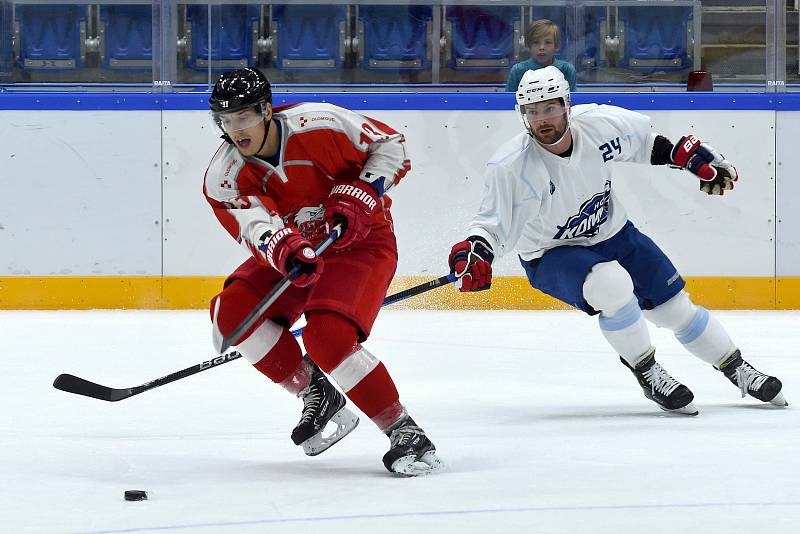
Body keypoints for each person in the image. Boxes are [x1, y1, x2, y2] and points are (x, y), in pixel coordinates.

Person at [448, 66, 787, 415]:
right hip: (551, 254)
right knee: (611, 285)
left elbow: (644, 144)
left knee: (675, 310)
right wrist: (475, 252)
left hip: (615, 233)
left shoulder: (598, 124)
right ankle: (646, 368)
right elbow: (492, 224)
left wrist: (683, 157)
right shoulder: (511, 167)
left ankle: (736, 367)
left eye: (549, 108)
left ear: (567, 104)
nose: (542, 119)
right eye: (532, 111)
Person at [204, 67, 442, 476]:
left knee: (326, 337)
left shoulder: (321, 121)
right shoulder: (223, 177)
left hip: (360, 245)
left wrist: (363, 190)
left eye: (242, 116)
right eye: (225, 120)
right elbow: (254, 227)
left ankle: (405, 431)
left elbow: (391, 147)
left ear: (265, 110)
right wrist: (283, 248)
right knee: (232, 312)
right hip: (301, 254)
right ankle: (315, 392)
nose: (235, 129)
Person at [506, 19, 577, 93]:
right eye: (536, 42)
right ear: (528, 45)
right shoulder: (518, 70)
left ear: (557, 46)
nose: (541, 47)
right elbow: (508, 101)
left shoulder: (567, 69)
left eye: (548, 42)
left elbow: (572, 101)